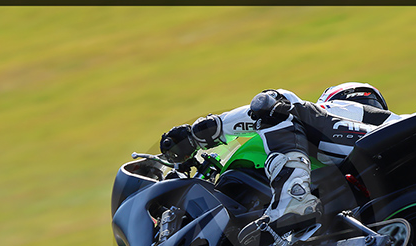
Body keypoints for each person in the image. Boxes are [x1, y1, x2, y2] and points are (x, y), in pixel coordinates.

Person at [159, 82, 401, 233]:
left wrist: (195, 136)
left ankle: (292, 198)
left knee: (273, 104)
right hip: (382, 193)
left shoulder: (345, 111)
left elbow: (274, 107)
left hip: (379, 145)